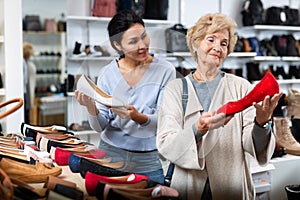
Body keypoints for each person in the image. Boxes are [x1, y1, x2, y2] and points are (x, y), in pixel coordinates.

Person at [156, 13, 282, 199]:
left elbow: (252, 144)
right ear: (196, 43)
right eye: (211, 39)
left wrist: (261, 123)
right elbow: (166, 144)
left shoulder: (241, 87)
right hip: (188, 187)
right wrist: (197, 129)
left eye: (224, 44)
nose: (217, 47)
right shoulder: (175, 89)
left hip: (231, 185)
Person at [75, 10, 176, 184]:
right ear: (118, 46)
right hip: (110, 154)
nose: (143, 45)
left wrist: (139, 117)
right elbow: (100, 126)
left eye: (144, 36)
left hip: (147, 158)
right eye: (133, 41)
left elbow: (165, 119)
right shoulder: (107, 73)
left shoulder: (166, 70)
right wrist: (90, 107)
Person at [23, 42, 36, 123]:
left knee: (25, 114)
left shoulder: (27, 64)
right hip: (25, 92)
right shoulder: (25, 63)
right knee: (25, 115)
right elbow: (26, 80)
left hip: (25, 91)